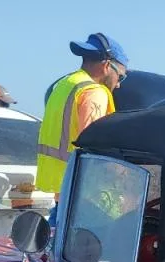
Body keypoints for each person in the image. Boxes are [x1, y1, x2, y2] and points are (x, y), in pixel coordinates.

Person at [35, 32, 129, 196]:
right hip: (79, 188)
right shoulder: (94, 92)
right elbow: (93, 144)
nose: (119, 84)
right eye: (120, 76)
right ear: (107, 66)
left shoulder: (65, 85)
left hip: (59, 185)